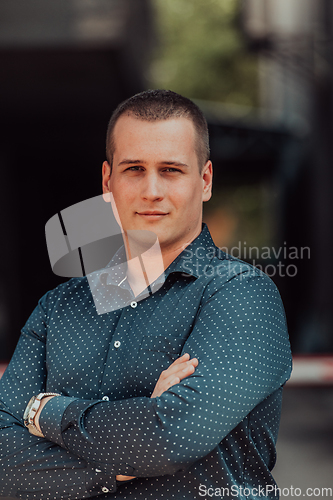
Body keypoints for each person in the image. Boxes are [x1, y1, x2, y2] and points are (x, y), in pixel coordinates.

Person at [0, 89, 292, 500]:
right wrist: (128, 450)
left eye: (171, 170)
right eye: (134, 169)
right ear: (108, 182)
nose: (151, 190)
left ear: (205, 181)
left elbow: (171, 438)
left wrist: (44, 412)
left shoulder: (243, 297)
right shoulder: (58, 308)